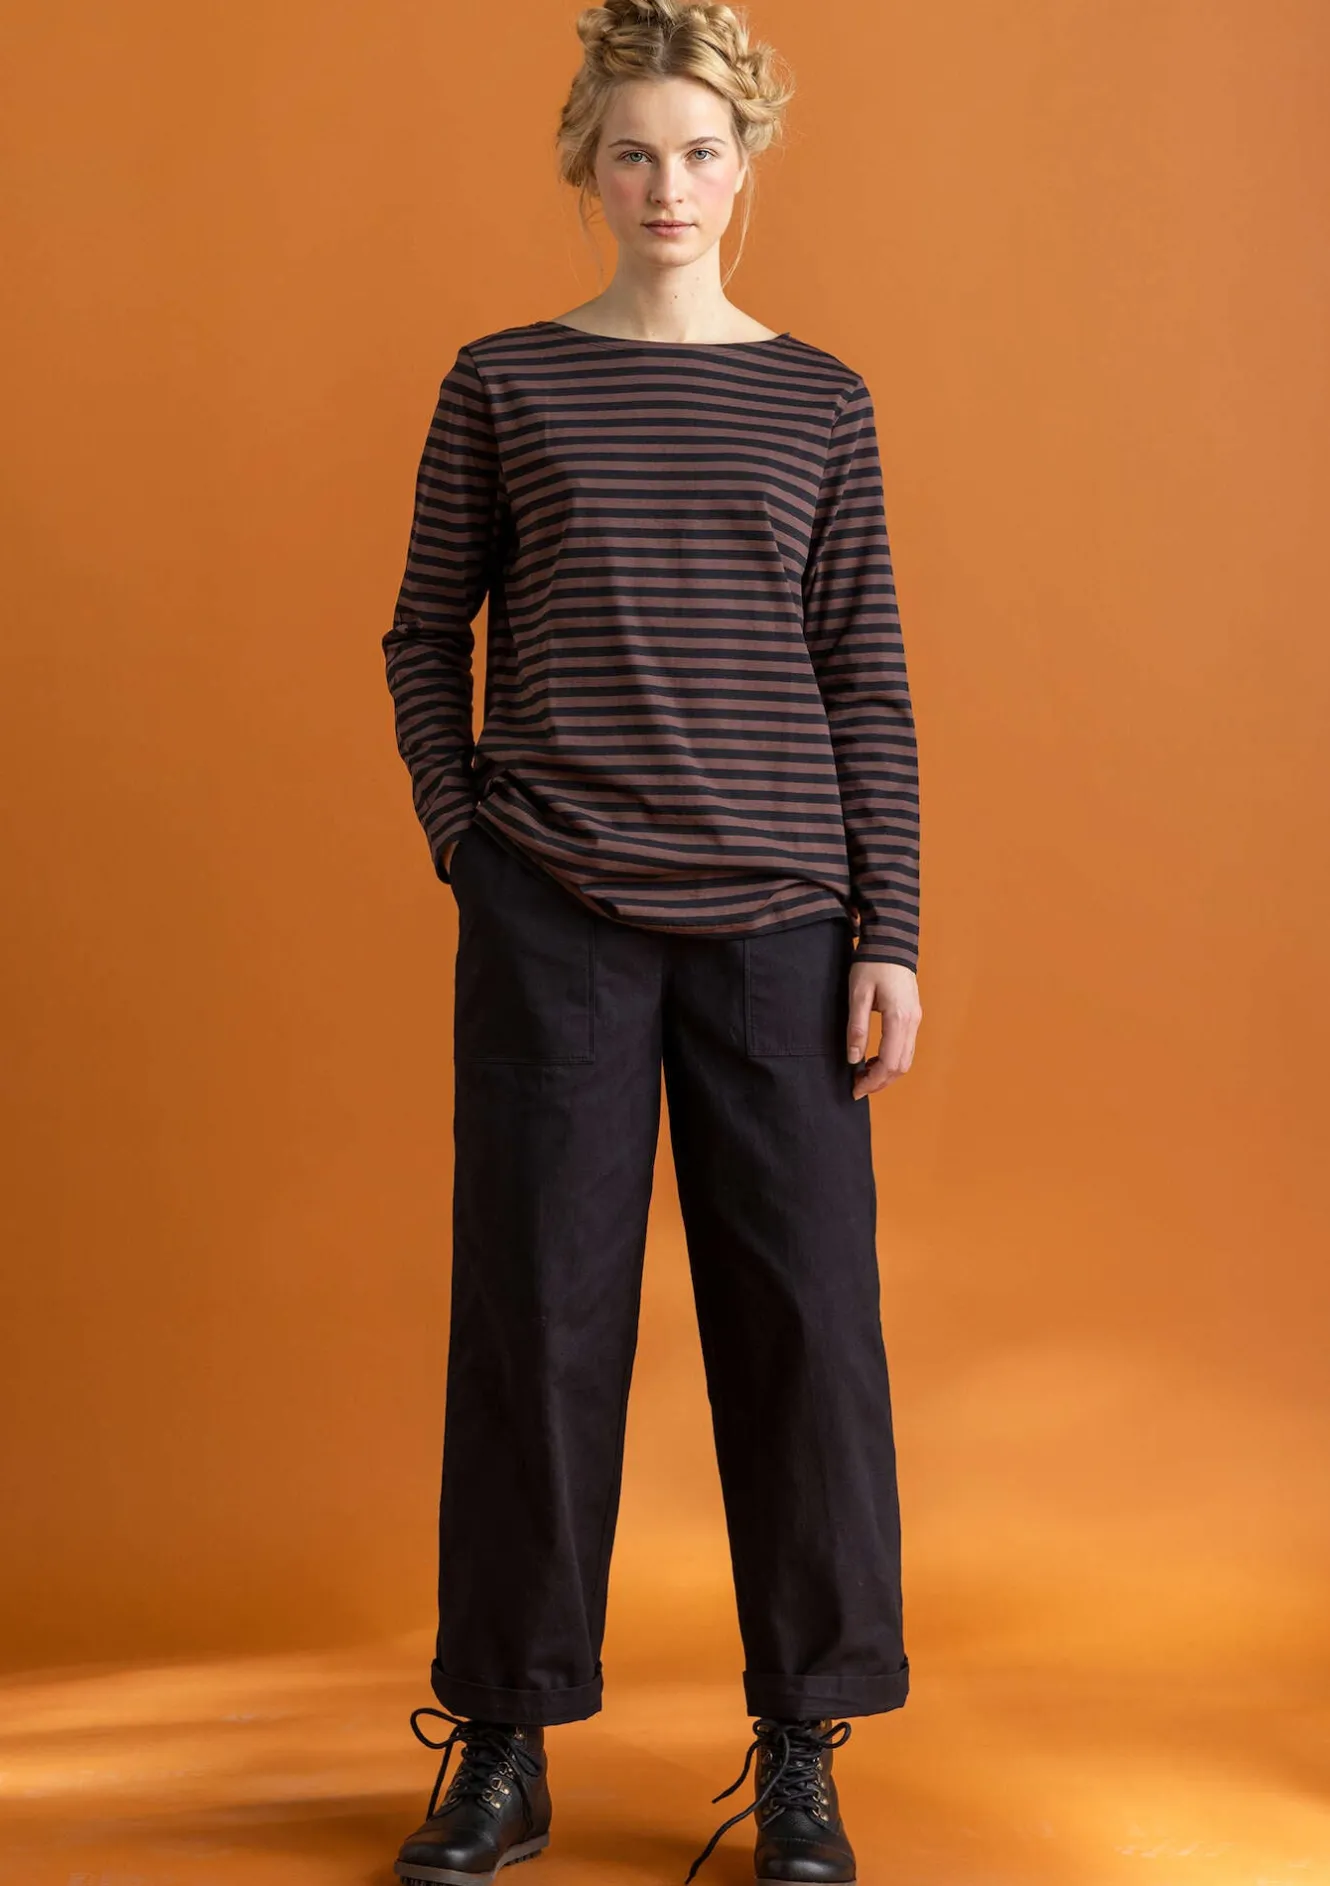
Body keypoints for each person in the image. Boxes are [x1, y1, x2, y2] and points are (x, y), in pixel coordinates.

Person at [380, 2, 923, 1881]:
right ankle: (503, 1742)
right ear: (586, 169)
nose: (666, 186)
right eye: (632, 152)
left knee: (807, 1339)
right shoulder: (504, 382)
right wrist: (468, 845)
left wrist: (890, 929)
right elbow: (421, 627)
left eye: (698, 152)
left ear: (743, 165)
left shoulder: (819, 400)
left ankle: (802, 1745)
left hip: (783, 925)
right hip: (556, 917)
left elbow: (864, 674)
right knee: (534, 1328)